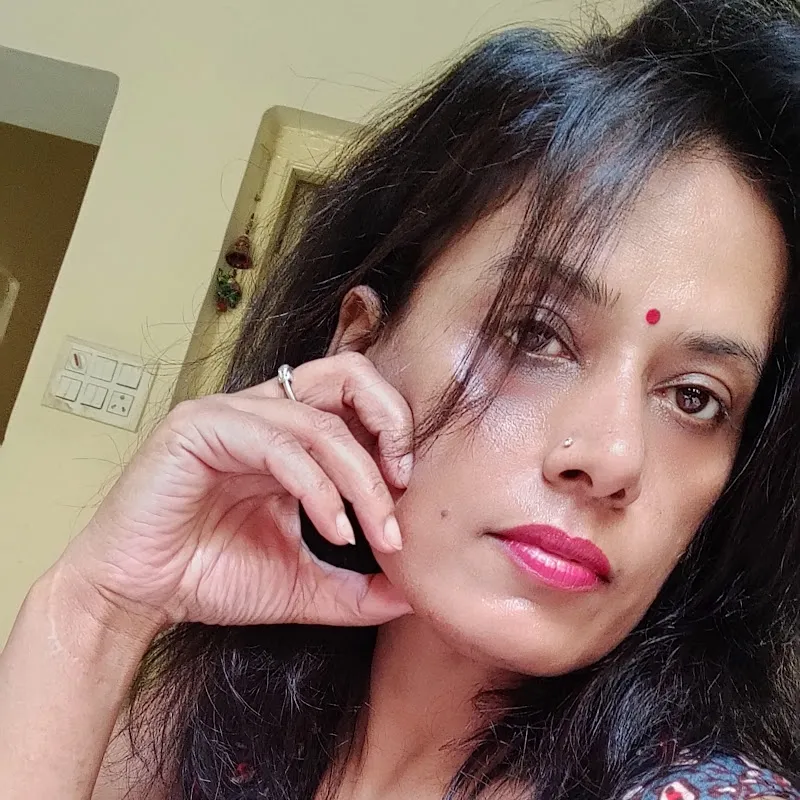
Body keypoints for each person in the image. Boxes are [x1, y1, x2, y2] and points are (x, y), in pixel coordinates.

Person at [3, 0, 800, 797]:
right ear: (359, 346)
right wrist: (98, 608)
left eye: (695, 398)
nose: (613, 457)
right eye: (534, 334)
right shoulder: (218, 712)